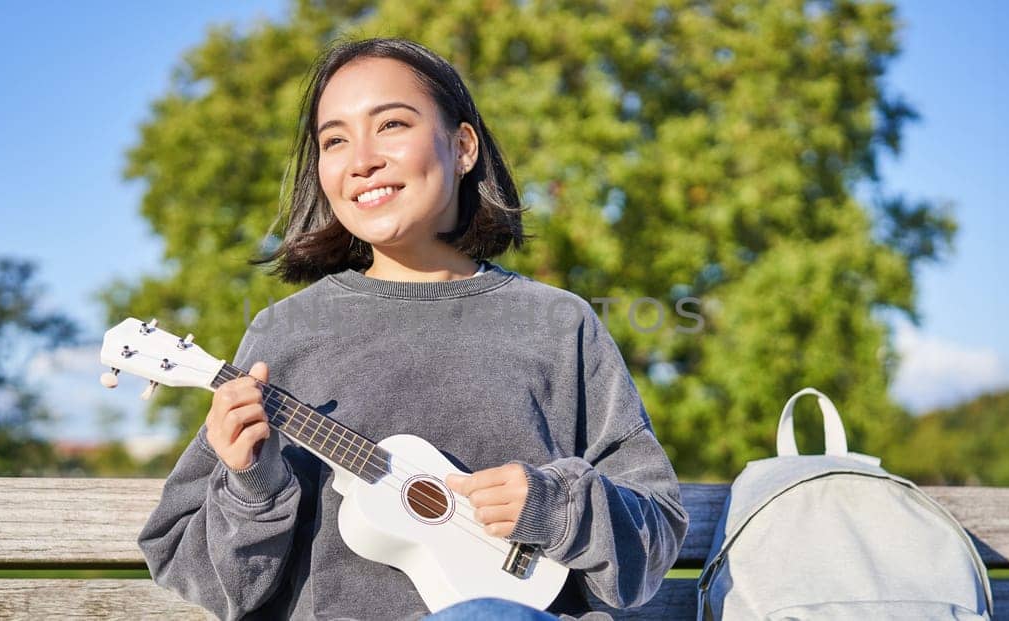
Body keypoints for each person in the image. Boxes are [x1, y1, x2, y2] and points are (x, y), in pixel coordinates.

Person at [138, 37, 687, 620]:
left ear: (464, 145)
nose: (361, 159)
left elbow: (654, 536)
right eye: (334, 140)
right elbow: (200, 576)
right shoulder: (284, 335)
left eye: (391, 124)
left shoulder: (559, 324)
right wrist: (250, 485)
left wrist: (560, 508)